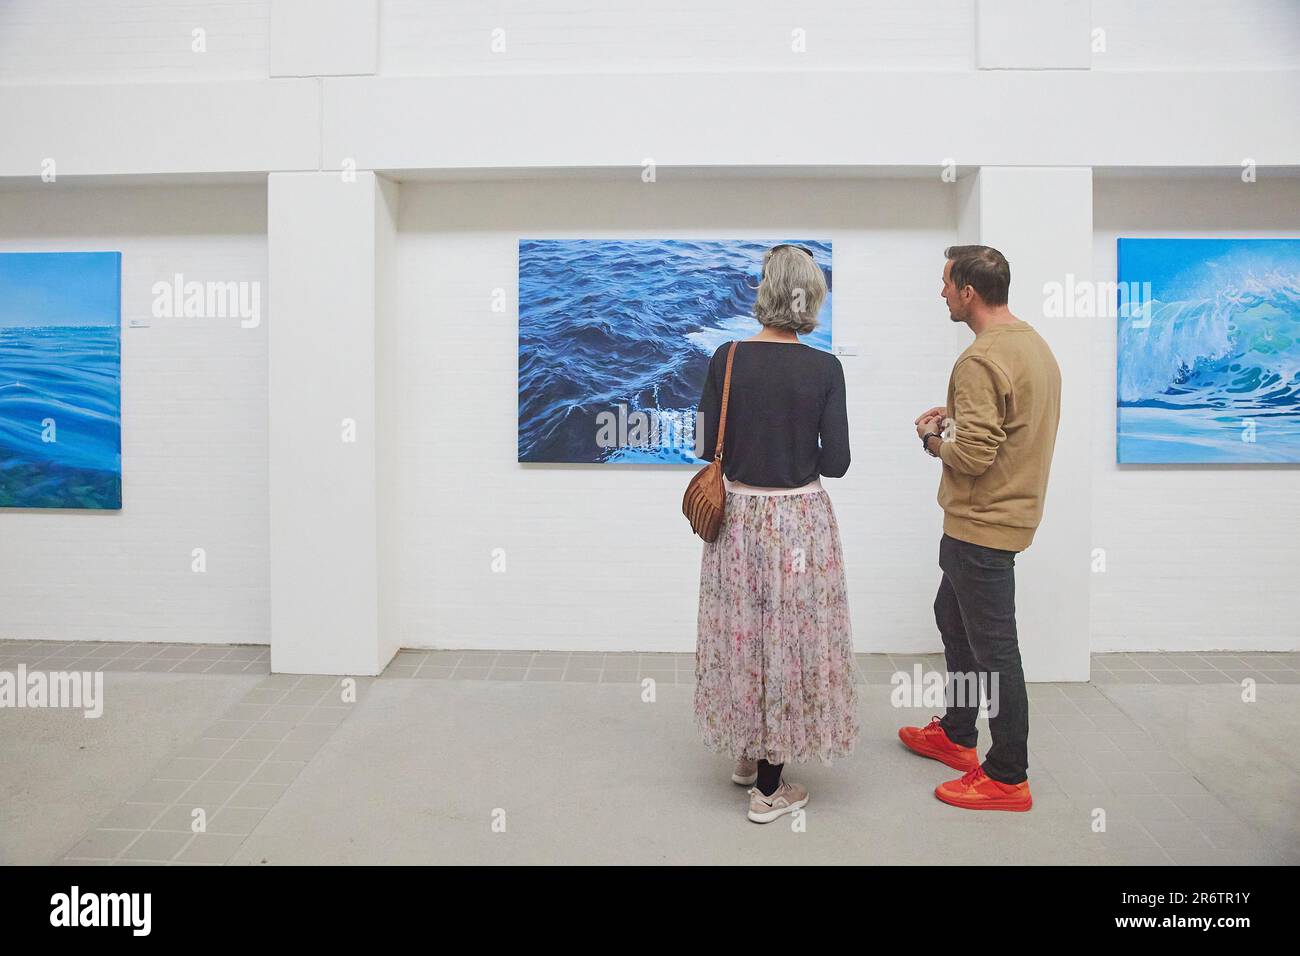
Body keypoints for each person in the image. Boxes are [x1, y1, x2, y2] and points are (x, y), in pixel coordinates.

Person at [693, 244, 858, 824]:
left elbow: (703, 444)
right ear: (811, 298)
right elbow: (835, 461)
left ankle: (747, 754)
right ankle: (770, 789)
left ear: (764, 292)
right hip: (797, 522)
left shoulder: (726, 357)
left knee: (743, 631)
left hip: (738, 518)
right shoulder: (824, 369)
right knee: (788, 638)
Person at [899, 245, 1061, 812]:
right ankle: (959, 734)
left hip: (980, 526)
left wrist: (930, 438)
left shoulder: (978, 359)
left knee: (996, 652)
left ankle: (1007, 775)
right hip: (1007, 517)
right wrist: (956, 420)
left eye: (946, 283)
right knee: (952, 617)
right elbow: (1006, 428)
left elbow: (971, 456)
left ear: (969, 291)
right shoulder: (1031, 346)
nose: (940, 293)